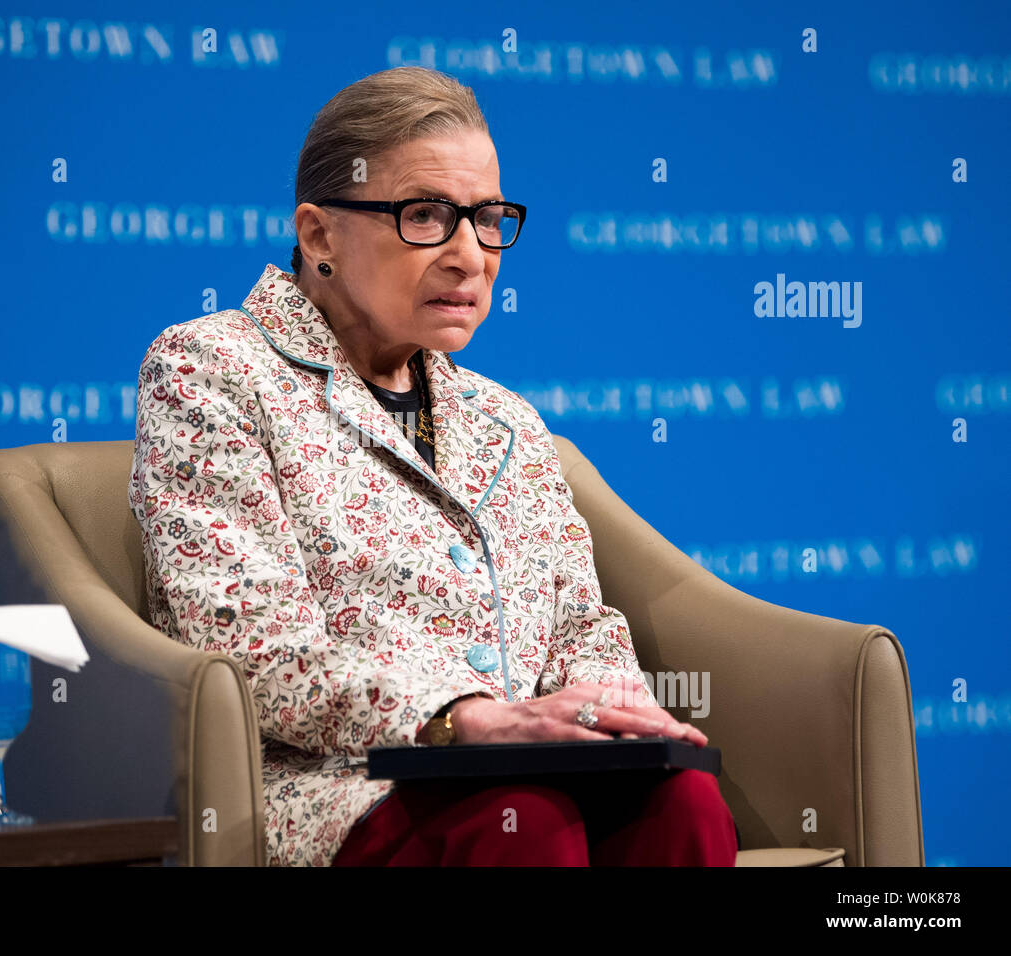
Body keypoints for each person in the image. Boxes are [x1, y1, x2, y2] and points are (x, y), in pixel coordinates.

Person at [128, 66, 737, 867]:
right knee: (518, 822)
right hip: (337, 787)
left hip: (529, 772)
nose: (469, 257)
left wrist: (608, 718)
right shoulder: (211, 370)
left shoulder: (504, 417)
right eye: (424, 216)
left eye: (487, 220)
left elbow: (580, 626)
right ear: (318, 236)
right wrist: (462, 716)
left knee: (678, 800)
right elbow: (251, 647)